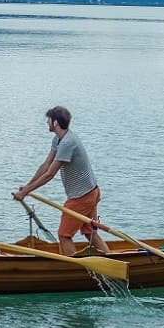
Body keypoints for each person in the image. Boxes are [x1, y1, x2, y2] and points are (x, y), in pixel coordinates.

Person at [15, 106, 110, 256]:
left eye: (49, 119)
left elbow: (50, 174)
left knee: (64, 235)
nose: (47, 122)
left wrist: (26, 192)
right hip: (92, 192)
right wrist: (27, 187)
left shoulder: (67, 143)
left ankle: (73, 270)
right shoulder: (58, 140)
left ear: (55, 123)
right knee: (89, 233)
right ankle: (112, 261)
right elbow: (45, 166)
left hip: (82, 198)